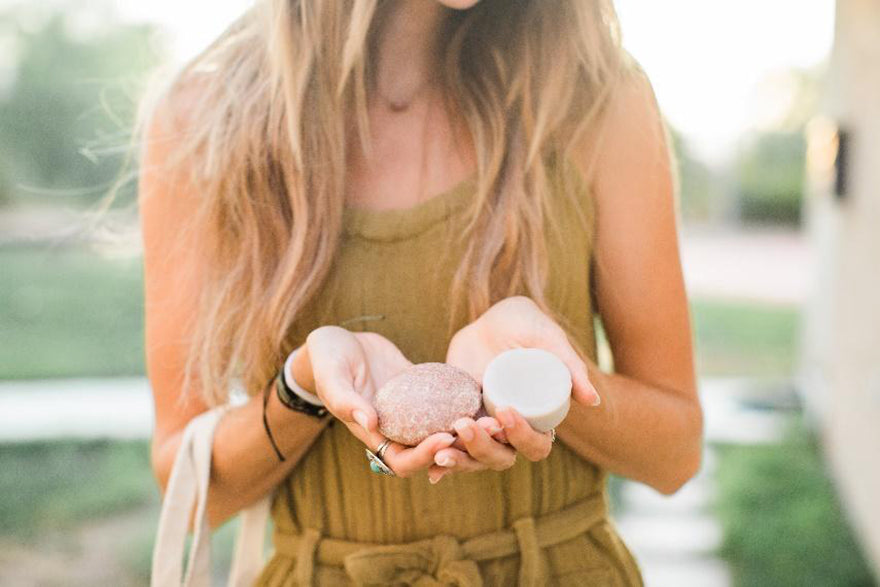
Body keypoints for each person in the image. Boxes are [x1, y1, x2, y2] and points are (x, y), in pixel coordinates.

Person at [138, 0, 702, 584]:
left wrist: (533, 379)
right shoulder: (204, 117)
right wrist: (302, 388)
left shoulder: (593, 97)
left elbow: (675, 456)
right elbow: (191, 490)